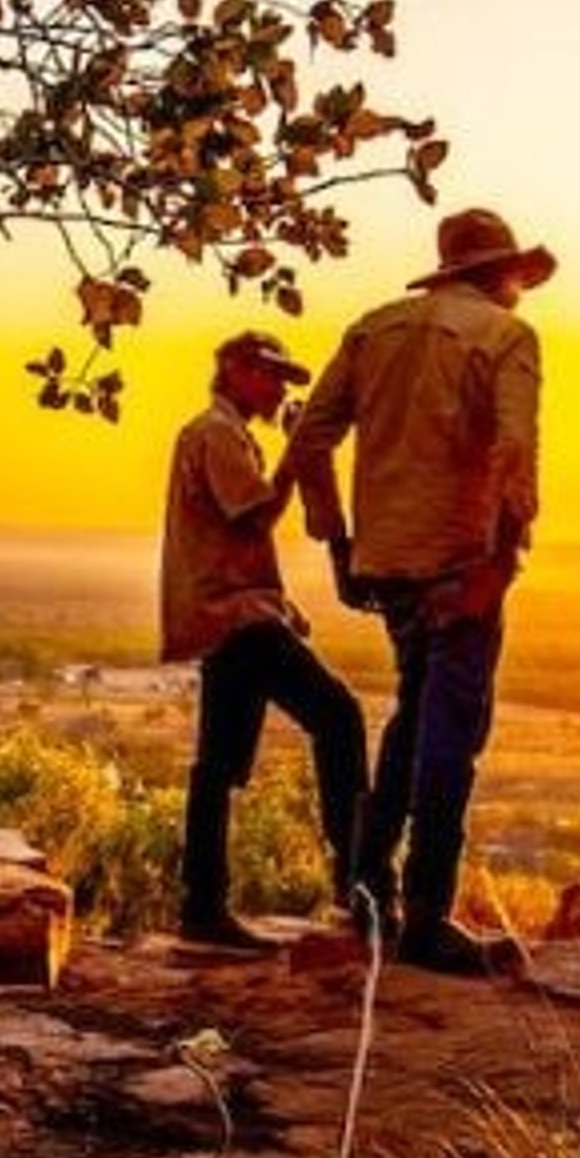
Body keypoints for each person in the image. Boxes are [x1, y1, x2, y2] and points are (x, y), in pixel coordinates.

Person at [277, 206, 550, 978]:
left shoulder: (374, 329)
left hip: (386, 560)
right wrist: (499, 562)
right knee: (452, 730)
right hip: (463, 561)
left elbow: (309, 440)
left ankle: (369, 889)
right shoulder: (507, 336)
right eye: (516, 277)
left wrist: (338, 541)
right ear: (500, 274)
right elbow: (515, 449)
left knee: (414, 712)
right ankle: (427, 916)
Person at [160, 330, 372, 951]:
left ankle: (202, 907)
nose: (279, 389)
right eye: (270, 375)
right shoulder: (217, 434)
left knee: (218, 766)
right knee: (338, 718)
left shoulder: (219, 434)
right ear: (234, 369)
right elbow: (254, 516)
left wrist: (276, 602)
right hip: (234, 618)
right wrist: (298, 454)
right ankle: (355, 882)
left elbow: (232, 541)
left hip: (230, 614)